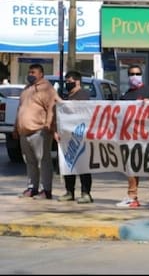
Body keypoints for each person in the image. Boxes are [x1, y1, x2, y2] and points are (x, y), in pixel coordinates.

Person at [13, 63, 62, 199]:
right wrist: (15, 127)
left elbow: (52, 107)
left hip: (40, 130)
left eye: (33, 72)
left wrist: (49, 124)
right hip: (24, 131)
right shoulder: (27, 89)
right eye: (29, 72)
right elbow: (20, 109)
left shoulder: (47, 88)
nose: (30, 75)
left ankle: (46, 190)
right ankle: (32, 187)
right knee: (30, 161)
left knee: (43, 161)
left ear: (41, 74)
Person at [116, 64, 149, 210]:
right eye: (131, 73)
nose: (134, 76)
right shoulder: (126, 96)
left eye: (137, 73)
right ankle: (132, 197)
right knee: (132, 167)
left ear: (141, 75)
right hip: (132, 137)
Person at [56, 70, 93, 204]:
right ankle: (69, 191)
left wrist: (58, 100)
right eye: (66, 81)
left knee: (82, 166)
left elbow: (73, 110)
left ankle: (86, 193)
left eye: (69, 81)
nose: (67, 84)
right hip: (67, 135)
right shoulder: (67, 96)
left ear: (77, 81)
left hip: (80, 135)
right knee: (69, 165)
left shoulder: (82, 94)